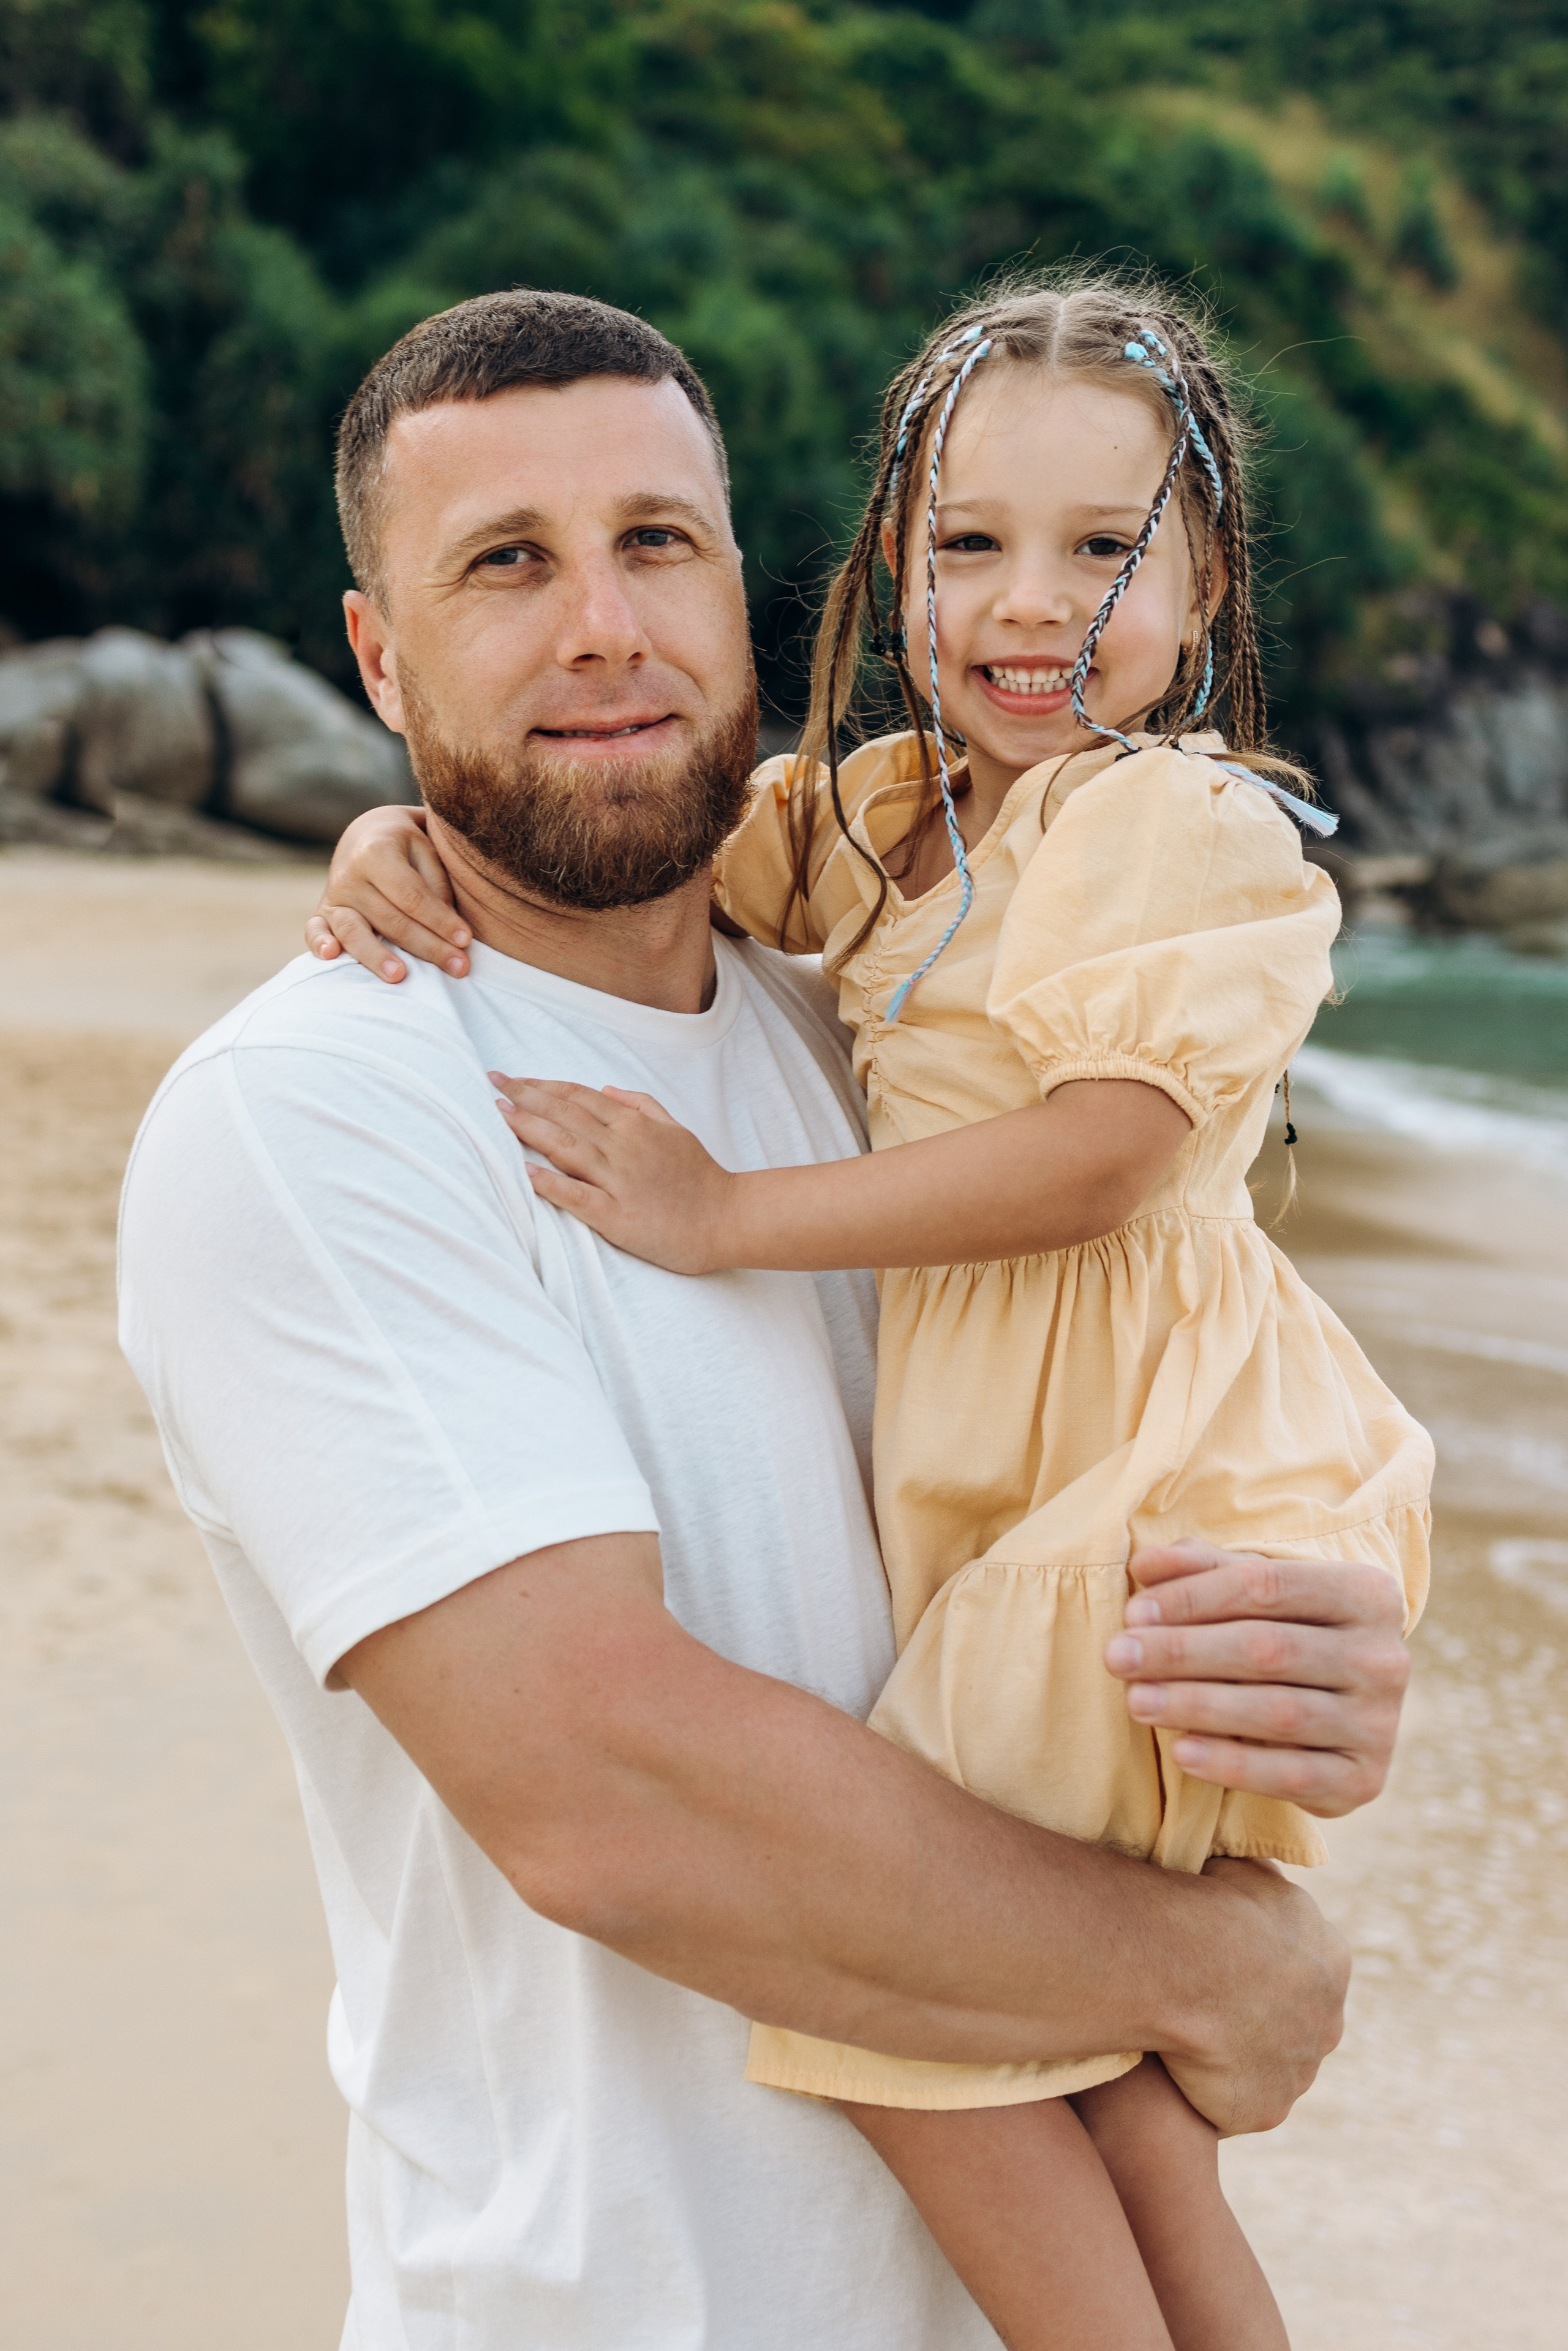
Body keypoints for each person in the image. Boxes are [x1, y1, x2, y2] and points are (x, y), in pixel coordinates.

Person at [122, 287, 1414, 2351]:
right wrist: (1195, 1963)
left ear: (752, 580)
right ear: (378, 653)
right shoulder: (318, 1113)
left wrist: (1304, 1652)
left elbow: (1105, 1387)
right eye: (504, 567)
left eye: (658, 542)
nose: (605, 631)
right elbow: (610, 1792)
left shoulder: (879, 1026)